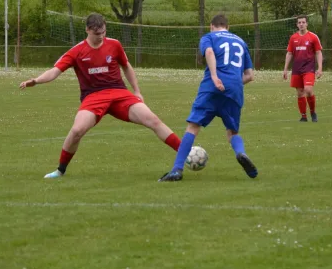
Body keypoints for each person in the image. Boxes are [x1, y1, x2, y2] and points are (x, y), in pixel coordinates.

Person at [19, 13, 181, 179]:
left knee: (153, 120)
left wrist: (137, 91)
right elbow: (54, 71)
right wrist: (36, 80)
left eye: (103, 32)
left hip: (119, 93)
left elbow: (126, 66)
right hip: (93, 97)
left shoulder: (114, 45)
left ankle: (186, 153)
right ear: (87, 30)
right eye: (97, 34)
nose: (101, 36)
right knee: (76, 130)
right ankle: (60, 170)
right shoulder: (76, 51)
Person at [158, 14, 257, 182]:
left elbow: (209, 52)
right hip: (234, 89)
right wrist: (232, 83)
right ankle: (241, 153)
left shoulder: (209, 37)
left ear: (212, 26)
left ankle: (176, 170)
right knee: (232, 131)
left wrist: (214, 76)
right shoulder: (241, 42)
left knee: (193, 127)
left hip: (211, 87)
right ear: (228, 26)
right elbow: (249, 76)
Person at [282, 15, 323, 122]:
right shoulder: (293, 38)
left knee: (308, 90)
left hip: (309, 68)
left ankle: (313, 112)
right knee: (300, 92)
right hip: (297, 68)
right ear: (297, 24)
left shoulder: (313, 37)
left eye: (303, 22)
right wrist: (285, 69)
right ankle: (303, 116)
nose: (301, 24)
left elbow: (318, 52)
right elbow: (289, 53)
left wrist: (320, 68)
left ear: (307, 24)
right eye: (299, 22)